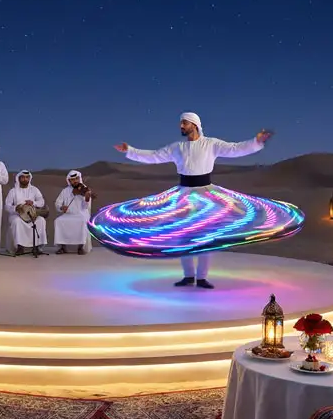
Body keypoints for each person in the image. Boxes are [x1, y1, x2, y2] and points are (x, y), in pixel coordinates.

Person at [97, 111, 304, 288]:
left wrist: (256, 142)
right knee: (186, 235)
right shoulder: (177, 147)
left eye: (184, 123)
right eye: (181, 123)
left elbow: (234, 149)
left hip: (206, 192)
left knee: (205, 235)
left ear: (194, 124)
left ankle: (202, 277)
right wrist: (130, 151)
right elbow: (154, 156)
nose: (181, 126)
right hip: (183, 193)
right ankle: (188, 276)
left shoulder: (211, 144)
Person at [4, 170, 47, 255]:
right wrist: (15, 208)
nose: (25, 179)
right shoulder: (13, 191)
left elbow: (41, 201)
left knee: (41, 220)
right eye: (23, 177)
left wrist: (33, 203)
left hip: (31, 215)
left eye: (27, 177)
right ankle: (20, 247)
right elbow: (7, 206)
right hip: (17, 215)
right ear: (19, 178)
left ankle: (37, 247)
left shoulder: (34, 190)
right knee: (16, 221)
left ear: (29, 179)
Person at [54, 170, 93, 255]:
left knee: (82, 221)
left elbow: (86, 207)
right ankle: (62, 247)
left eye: (77, 178)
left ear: (79, 178)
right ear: (69, 180)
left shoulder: (84, 189)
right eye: (72, 179)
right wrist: (61, 207)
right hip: (68, 214)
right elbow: (57, 203)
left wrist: (87, 198)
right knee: (58, 221)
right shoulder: (65, 191)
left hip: (81, 214)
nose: (75, 181)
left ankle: (80, 247)